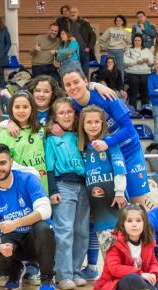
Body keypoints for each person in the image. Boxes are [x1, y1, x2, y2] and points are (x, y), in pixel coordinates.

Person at [61, 69, 149, 206]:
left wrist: (108, 143)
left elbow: (130, 130)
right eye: (68, 85)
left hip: (129, 152)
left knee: (137, 204)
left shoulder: (107, 96)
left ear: (85, 81)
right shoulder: (71, 106)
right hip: (104, 158)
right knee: (111, 205)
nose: (72, 87)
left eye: (76, 82)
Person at [0, 144, 56, 290]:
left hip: (34, 237)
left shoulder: (28, 179)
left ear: (11, 162)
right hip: (12, 239)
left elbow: (45, 210)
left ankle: (47, 279)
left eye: (3, 163)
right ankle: (15, 270)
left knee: (44, 228)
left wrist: (16, 223)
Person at [78, 105, 128, 278]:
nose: (93, 126)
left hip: (115, 203)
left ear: (103, 123)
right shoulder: (81, 148)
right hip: (97, 208)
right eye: (88, 122)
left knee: (122, 241)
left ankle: (126, 274)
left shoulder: (109, 143)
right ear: (82, 124)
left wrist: (120, 191)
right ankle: (114, 275)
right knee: (105, 244)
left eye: (96, 122)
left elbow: (119, 167)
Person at [45, 98, 87, 290]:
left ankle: (77, 271)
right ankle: (63, 275)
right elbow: (50, 167)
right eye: (61, 113)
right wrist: (53, 190)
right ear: (55, 117)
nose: (66, 116)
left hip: (84, 186)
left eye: (69, 111)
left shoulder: (81, 134)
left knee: (81, 231)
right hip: (63, 185)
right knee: (64, 231)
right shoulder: (52, 138)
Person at [90, 205, 158, 290]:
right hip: (117, 283)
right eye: (129, 221)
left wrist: (154, 274)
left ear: (144, 223)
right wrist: (141, 274)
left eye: (138, 221)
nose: (134, 224)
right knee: (132, 278)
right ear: (122, 224)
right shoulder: (114, 242)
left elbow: (153, 262)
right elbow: (115, 268)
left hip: (143, 279)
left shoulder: (148, 242)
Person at [0, 93, 47, 190]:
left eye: (25, 107)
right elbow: (5, 163)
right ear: (11, 108)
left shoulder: (41, 129)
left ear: (32, 108)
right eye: (17, 107)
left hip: (43, 185)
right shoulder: (3, 135)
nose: (21, 111)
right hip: (20, 187)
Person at [125, 35, 154, 113]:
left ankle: (146, 110)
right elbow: (125, 61)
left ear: (142, 41)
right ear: (133, 41)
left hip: (145, 73)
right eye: (135, 40)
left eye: (139, 40)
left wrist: (147, 61)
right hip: (132, 73)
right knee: (133, 94)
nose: (137, 42)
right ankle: (132, 111)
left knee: (145, 93)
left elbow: (152, 62)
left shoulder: (147, 50)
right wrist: (136, 62)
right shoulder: (129, 50)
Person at [64, 7, 96, 74]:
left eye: (74, 12)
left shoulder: (84, 23)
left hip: (83, 51)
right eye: (71, 12)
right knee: (73, 72)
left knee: (84, 72)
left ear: (78, 13)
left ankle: (85, 84)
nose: (72, 14)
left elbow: (93, 35)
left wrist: (89, 47)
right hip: (71, 52)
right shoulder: (65, 23)